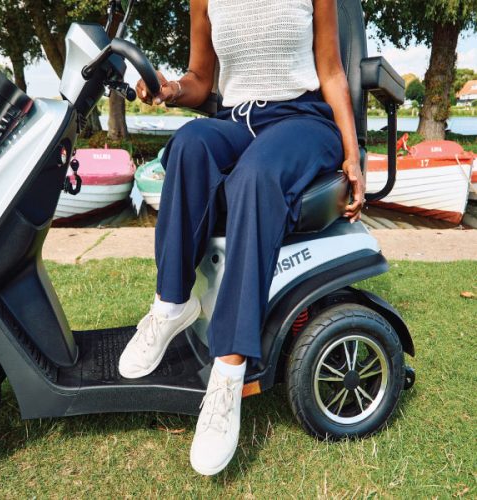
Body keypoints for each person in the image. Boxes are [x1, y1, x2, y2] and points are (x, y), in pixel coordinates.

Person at [119, 0, 365, 475]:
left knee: (254, 176)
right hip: (238, 121)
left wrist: (352, 156)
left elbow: (332, 72)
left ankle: (229, 373)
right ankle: (171, 305)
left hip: (303, 121)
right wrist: (171, 89)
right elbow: (201, 79)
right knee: (188, 145)